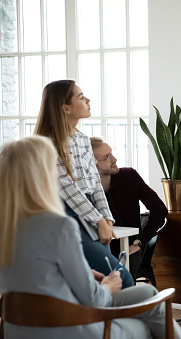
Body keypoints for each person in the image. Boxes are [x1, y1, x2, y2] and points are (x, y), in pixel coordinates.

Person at [0, 136, 181, 339]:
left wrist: (86, 274)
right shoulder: (59, 226)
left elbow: (39, 275)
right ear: (42, 174)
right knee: (147, 321)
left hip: (19, 329)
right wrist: (109, 285)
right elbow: (94, 299)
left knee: (148, 294)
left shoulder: (7, 225)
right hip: (72, 326)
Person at [33, 79, 133, 288]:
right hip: (64, 214)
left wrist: (106, 217)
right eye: (80, 97)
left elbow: (95, 183)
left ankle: (106, 321)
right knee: (122, 278)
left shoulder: (83, 139)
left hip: (89, 210)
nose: (87, 100)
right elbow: (67, 189)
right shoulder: (48, 143)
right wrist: (98, 220)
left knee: (99, 281)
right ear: (66, 108)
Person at [90, 136, 168, 280]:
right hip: (99, 248)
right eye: (107, 157)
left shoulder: (129, 176)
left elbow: (160, 210)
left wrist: (140, 241)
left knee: (123, 275)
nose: (114, 159)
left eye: (112, 153)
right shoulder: (84, 189)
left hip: (130, 248)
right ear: (92, 163)